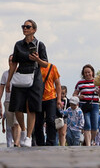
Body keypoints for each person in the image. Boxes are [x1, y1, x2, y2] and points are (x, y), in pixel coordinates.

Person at [6, 19, 48, 147]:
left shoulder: (40, 44)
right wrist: (9, 80)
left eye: (28, 27)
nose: (25, 28)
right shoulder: (18, 44)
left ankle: (28, 136)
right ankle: (23, 130)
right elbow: (14, 63)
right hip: (21, 75)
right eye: (23, 26)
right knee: (17, 107)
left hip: (35, 75)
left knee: (31, 107)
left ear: (34, 29)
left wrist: (37, 59)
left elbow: (45, 64)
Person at [35, 54, 61, 146]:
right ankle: (40, 142)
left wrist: (58, 99)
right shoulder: (34, 67)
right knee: (38, 122)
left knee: (50, 120)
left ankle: (50, 142)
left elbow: (57, 84)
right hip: (38, 98)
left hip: (51, 97)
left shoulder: (52, 67)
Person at [73, 64, 100, 146]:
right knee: (87, 124)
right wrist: (79, 97)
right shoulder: (80, 83)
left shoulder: (97, 82)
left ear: (92, 72)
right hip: (84, 105)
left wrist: (99, 92)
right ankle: (88, 145)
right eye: (85, 72)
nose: (87, 74)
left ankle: (90, 141)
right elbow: (74, 95)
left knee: (95, 126)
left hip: (95, 105)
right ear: (83, 74)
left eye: (89, 72)